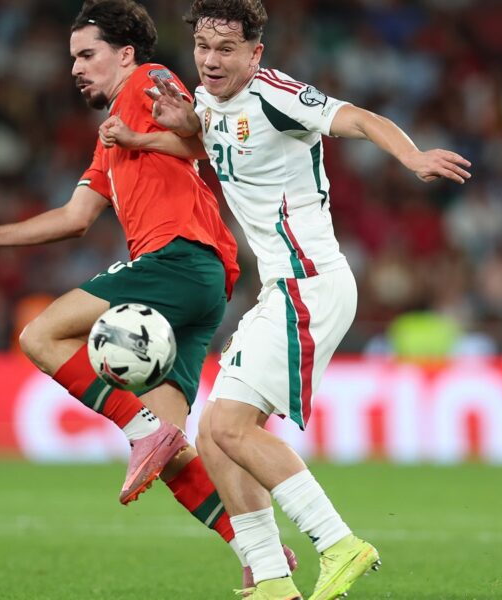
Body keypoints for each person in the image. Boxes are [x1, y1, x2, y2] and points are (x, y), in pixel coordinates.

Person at [99, 1, 472, 598]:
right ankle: (271, 578)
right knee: (215, 435)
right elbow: (209, 150)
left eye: (226, 49)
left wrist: (412, 156)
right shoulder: (206, 100)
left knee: (229, 426)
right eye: (203, 46)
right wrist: (147, 135)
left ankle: (339, 543)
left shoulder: (276, 94)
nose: (210, 60)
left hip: (309, 281)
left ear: (255, 54)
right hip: (282, 287)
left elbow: (360, 119)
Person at [0, 0, 296, 587]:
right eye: (72, 58)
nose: (76, 68)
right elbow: (75, 217)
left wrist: (160, 130)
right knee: (174, 454)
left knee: (40, 334)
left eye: (87, 54)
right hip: (204, 282)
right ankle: (263, 558)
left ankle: (142, 429)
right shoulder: (112, 138)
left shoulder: (150, 80)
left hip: (175, 258)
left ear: (125, 54)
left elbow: (204, 140)